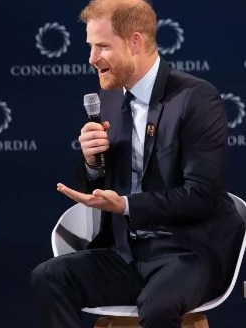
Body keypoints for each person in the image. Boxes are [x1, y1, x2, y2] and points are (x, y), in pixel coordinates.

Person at [31, 1, 245, 327]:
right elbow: (100, 187)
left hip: (187, 252)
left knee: (158, 305)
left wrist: (128, 205)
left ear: (135, 42)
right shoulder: (110, 99)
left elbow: (202, 196)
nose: (91, 59)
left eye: (102, 46)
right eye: (91, 46)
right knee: (49, 276)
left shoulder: (196, 99)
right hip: (126, 252)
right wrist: (91, 162)